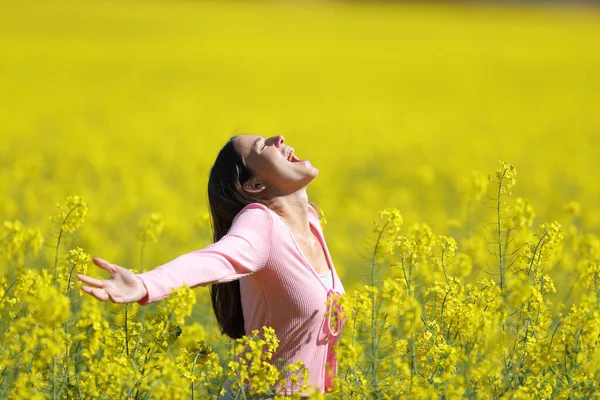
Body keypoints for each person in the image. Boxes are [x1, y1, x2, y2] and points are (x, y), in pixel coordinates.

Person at [76, 134, 346, 398]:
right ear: (254, 184)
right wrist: (145, 283)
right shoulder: (262, 223)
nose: (279, 138)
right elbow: (216, 258)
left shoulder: (312, 226)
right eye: (262, 146)